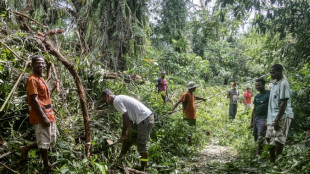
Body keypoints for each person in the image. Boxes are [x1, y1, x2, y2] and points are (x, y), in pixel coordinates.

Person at [19, 55, 58, 172]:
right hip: (41, 116)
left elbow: (44, 97)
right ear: (32, 65)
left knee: (52, 140)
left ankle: (25, 148)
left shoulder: (41, 79)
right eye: (38, 63)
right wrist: (43, 117)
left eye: (42, 63)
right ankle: (46, 165)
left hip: (49, 114)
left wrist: (53, 88)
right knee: (44, 142)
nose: (41, 65)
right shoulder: (32, 80)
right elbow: (34, 100)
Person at [101, 89, 154, 171]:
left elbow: (125, 116)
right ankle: (120, 160)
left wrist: (123, 134)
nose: (106, 103)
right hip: (142, 119)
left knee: (141, 145)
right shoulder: (119, 98)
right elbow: (128, 115)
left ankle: (143, 169)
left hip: (144, 119)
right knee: (128, 140)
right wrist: (129, 129)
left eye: (105, 100)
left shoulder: (116, 101)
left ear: (108, 96)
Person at [266, 64, 294, 163]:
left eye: (273, 72)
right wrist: (269, 118)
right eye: (270, 72)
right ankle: (272, 160)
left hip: (282, 116)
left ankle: (278, 162)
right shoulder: (275, 84)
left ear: (280, 72)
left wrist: (277, 119)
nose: (271, 74)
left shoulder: (284, 84)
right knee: (269, 138)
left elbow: (284, 103)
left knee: (279, 139)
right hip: (272, 117)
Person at [251, 78, 270, 155]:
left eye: (259, 85)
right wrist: (251, 121)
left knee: (260, 136)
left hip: (263, 118)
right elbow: (254, 109)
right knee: (255, 135)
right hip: (256, 117)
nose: (257, 87)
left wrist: (268, 118)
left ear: (263, 85)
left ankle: (259, 154)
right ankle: (260, 151)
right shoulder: (257, 96)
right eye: (256, 85)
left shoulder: (269, 93)